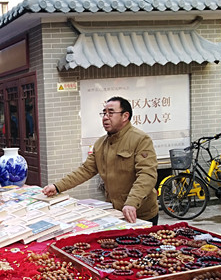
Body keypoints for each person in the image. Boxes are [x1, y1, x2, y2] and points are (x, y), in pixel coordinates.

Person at [43, 96, 159, 225]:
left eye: (111, 113)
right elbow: (85, 170)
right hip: (116, 211)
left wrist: (132, 202)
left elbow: (147, 175)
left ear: (125, 116)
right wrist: (57, 186)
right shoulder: (101, 143)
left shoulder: (141, 139)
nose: (105, 117)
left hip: (140, 212)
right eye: (104, 113)